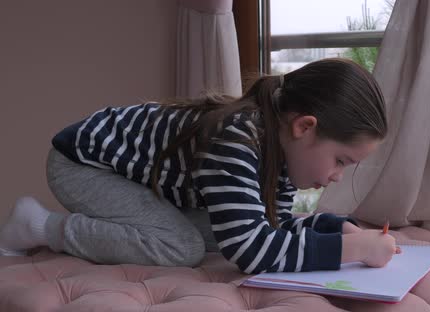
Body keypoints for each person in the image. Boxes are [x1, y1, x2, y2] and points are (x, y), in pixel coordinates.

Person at [0, 58, 397, 274]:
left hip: (137, 174)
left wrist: (332, 227)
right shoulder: (237, 139)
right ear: (304, 127)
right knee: (182, 247)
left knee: (217, 233)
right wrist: (351, 248)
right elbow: (252, 251)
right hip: (83, 162)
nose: (336, 176)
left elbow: (270, 226)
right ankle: (38, 225)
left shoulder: (281, 151)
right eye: (341, 161)